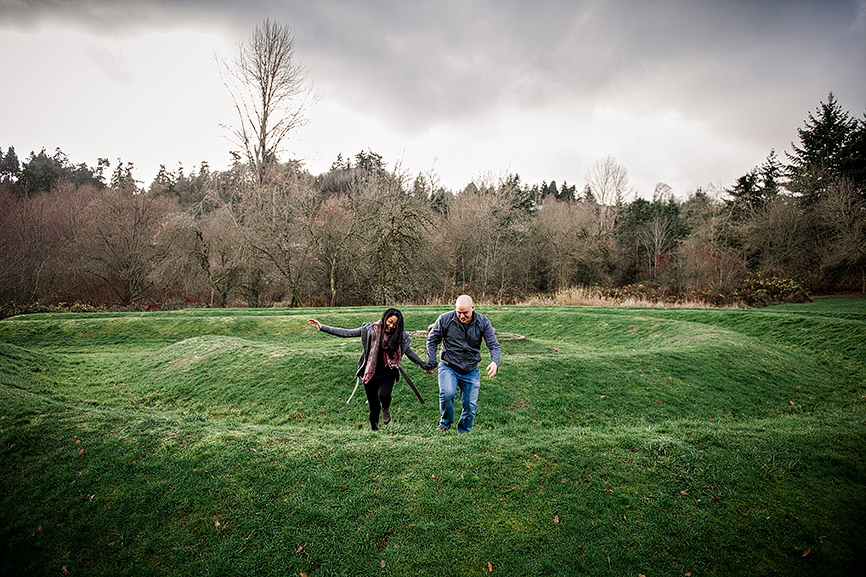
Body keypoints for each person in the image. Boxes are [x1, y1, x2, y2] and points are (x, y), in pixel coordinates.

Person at [309, 308, 428, 431]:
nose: (391, 326)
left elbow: (410, 353)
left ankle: (386, 407)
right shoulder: (370, 329)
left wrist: (424, 365)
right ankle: (374, 432)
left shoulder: (399, 337)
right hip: (370, 372)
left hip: (388, 372)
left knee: (384, 395)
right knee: (374, 407)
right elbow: (346, 332)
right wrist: (322, 327)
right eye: (390, 321)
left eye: (395, 324)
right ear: (385, 318)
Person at [425, 295, 501, 433]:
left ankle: (464, 431)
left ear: (472, 308)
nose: (461, 316)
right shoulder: (445, 319)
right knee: (447, 394)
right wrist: (432, 361)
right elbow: (431, 340)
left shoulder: (483, 322)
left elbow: (494, 345)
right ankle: (445, 423)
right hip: (449, 365)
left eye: (465, 313)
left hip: (471, 368)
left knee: (470, 405)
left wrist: (495, 361)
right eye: (458, 312)